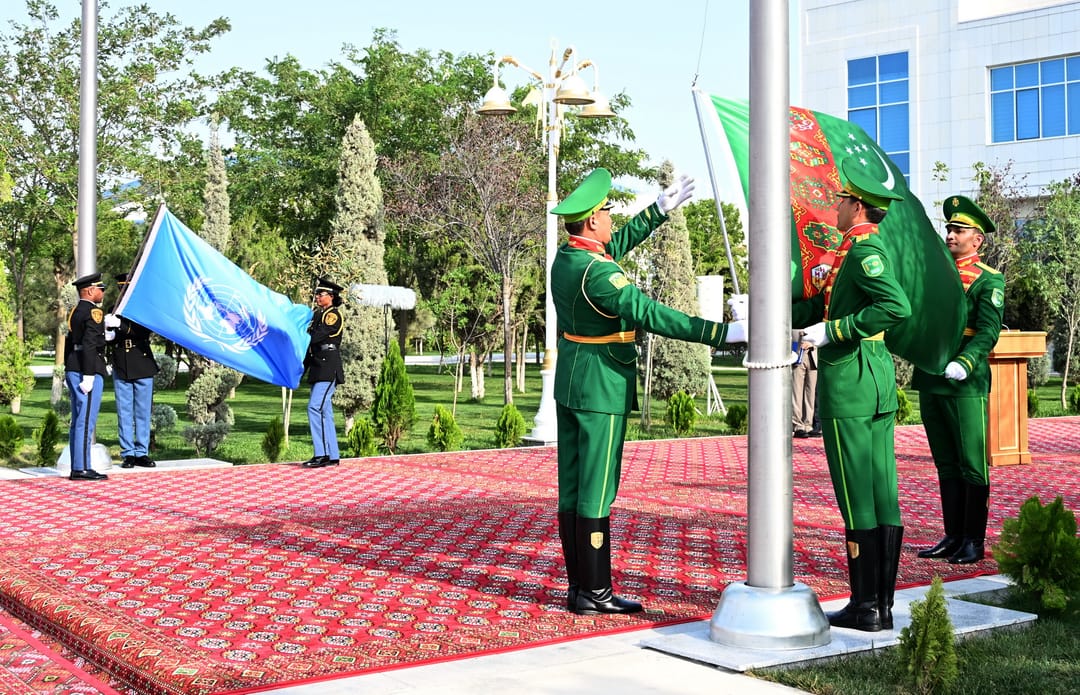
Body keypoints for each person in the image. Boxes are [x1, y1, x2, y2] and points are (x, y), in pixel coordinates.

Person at [550, 168, 746, 615]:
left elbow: (611, 251)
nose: (611, 221)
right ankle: (596, 593)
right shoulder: (598, 274)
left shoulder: (570, 258)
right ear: (593, 220)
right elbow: (650, 312)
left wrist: (657, 211)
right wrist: (722, 332)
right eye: (607, 214)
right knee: (597, 489)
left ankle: (579, 586)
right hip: (601, 385)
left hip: (573, 379)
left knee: (573, 487)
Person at [794, 158, 911, 632]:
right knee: (883, 489)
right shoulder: (855, 251)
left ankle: (866, 606)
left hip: (852, 379)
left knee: (857, 493)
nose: (835, 206)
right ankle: (879, 605)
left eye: (841, 200)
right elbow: (823, 298)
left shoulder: (863, 254)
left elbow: (895, 306)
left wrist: (834, 330)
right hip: (874, 378)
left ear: (857, 206)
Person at [913, 196, 1004, 565]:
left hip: (965, 381)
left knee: (971, 462)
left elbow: (988, 331)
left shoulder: (988, 280)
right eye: (949, 228)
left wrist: (966, 361)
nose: (950, 234)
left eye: (958, 229)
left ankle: (973, 539)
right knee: (946, 462)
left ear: (977, 240)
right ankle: (952, 536)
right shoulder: (935, 277)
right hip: (933, 377)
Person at [106, 273, 159, 468]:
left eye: (126, 288)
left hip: (141, 361)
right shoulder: (114, 310)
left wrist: (121, 325)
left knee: (142, 412)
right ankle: (128, 452)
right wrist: (108, 336)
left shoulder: (143, 309)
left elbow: (143, 332)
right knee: (124, 411)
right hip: (122, 363)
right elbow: (109, 337)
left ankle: (141, 452)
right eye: (122, 289)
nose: (124, 292)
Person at [64, 273, 110, 481]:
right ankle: (82, 468)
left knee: (78, 420)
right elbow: (90, 345)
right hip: (87, 369)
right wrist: (90, 375)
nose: (103, 292)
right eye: (101, 288)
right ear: (90, 291)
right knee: (85, 420)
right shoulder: (93, 311)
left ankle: (78, 465)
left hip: (75, 366)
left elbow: (71, 340)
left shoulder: (76, 310)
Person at [302, 277, 345, 468]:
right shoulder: (318, 315)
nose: (317, 296)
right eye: (317, 293)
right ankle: (331, 455)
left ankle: (321, 454)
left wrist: (300, 336)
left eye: (321, 294)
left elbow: (318, 336)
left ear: (331, 296)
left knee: (314, 407)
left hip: (328, 365)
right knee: (325, 411)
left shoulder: (332, 315)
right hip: (319, 364)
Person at [791, 328, 819, 438]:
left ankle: (808, 425)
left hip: (813, 355)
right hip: (797, 355)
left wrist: (812, 344)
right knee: (796, 392)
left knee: (810, 393)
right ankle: (798, 426)